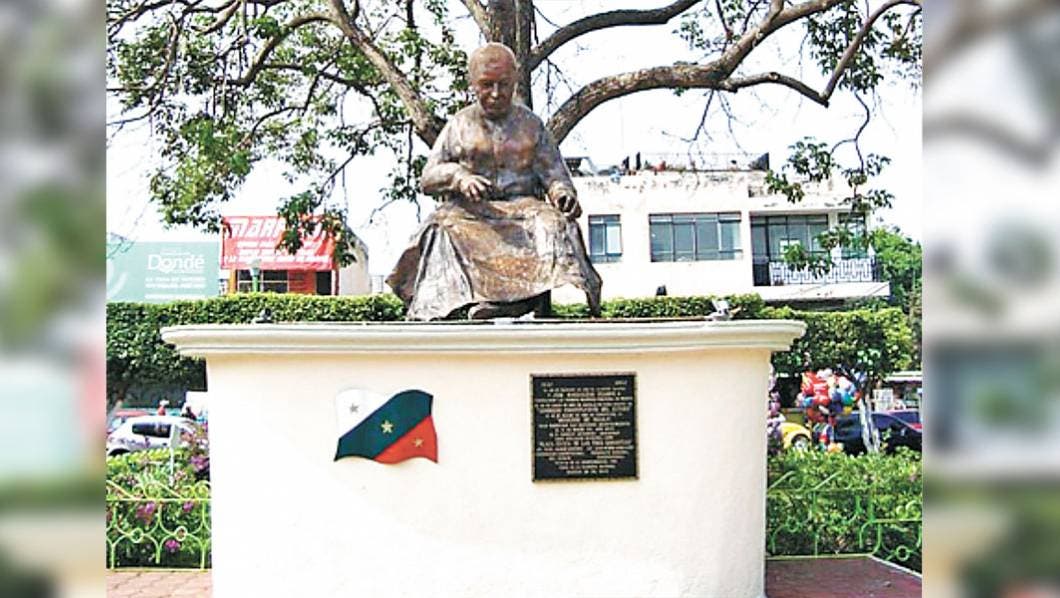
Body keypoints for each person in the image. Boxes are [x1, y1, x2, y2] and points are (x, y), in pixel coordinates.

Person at [386, 43, 602, 320]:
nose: (497, 93)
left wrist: (562, 194)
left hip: (524, 211)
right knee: (439, 228)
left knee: (556, 225)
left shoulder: (532, 125)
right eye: (487, 85)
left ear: (514, 81)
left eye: (504, 84)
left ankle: (522, 302)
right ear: (473, 84)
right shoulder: (459, 125)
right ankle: (444, 309)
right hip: (472, 213)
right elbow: (428, 177)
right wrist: (459, 177)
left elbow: (555, 174)